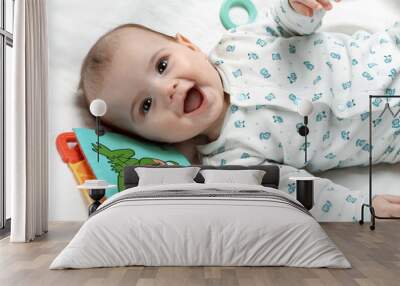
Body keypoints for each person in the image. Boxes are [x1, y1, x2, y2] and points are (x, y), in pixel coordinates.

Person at [77, 0, 400, 220]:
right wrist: (360, 208)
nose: (167, 89)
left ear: (188, 45)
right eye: (146, 106)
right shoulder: (231, 165)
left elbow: (286, 24)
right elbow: (300, 191)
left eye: (162, 65)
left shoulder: (239, 44)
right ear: (152, 138)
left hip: (388, 50)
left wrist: (298, 7)